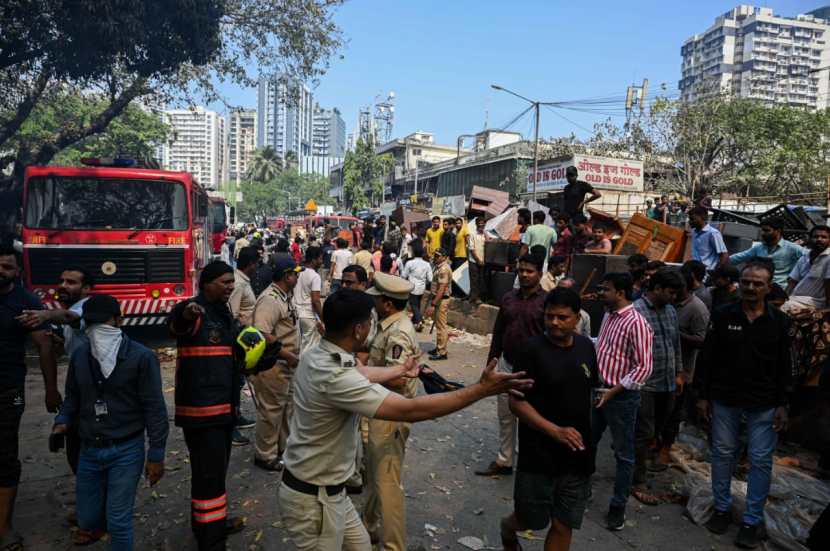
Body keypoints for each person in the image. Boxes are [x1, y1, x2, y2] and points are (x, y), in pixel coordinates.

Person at [277, 289, 533, 551]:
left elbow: (360, 371)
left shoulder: (318, 354)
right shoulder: (335, 377)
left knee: (361, 546)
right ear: (358, 329)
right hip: (314, 500)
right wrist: (481, 390)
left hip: (329, 492)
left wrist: (400, 369)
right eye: (369, 322)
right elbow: (409, 410)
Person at [52, 295, 168, 549]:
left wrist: (156, 454)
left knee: (118, 519)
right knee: (88, 518)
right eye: (91, 324)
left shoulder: (142, 357)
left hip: (126, 449)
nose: (97, 331)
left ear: (119, 320)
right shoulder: (81, 356)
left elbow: (155, 408)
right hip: (90, 450)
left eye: (103, 323)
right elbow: (73, 396)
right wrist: (61, 421)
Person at [698, 262, 792, 549]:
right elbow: (708, 357)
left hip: (763, 402)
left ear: (769, 287)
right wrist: (701, 395)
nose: (751, 288)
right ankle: (722, 509)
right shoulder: (724, 315)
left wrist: (784, 403)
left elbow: (785, 366)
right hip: (725, 399)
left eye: (758, 283)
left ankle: (751, 520)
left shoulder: (779, 321)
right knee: (723, 453)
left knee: (760, 461)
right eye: (746, 282)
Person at [500, 288, 598, 551]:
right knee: (530, 520)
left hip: (577, 456)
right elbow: (516, 402)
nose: (554, 322)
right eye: (550, 316)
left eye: (562, 317)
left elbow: (591, 392)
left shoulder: (587, 348)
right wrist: (554, 431)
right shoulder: (530, 351)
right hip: (538, 456)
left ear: (577, 318)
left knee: (564, 523)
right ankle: (507, 529)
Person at [168, 261, 246, 550]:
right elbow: (178, 322)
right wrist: (186, 314)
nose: (230, 287)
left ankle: (213, 522)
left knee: (215, 473)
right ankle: (210, 540)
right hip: (201, 412)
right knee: (207, 476)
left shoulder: (221, 313)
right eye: (225, 282)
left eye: (231, 282)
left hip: (222, 409)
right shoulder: (194, 309)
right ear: (207, 282)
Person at [0, 246, 59, 550]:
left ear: (18, 273)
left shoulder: (25, 302)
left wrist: (51, 390)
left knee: (5, 456)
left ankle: (4, 527)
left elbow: (44, 345)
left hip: (7, 388)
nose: (2, 271)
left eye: (8, 268)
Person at [362, 273, 422, 551]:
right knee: (375, 475)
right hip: (381, 410)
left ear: (386, 303)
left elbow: (398, 378)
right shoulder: (389, 324)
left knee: (387, 483)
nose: (372, 299)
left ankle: (393, 546)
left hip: (391, 413)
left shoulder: (398, 331)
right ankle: (368, 527)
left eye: (376, 296)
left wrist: (360, 377)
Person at [591, 272, 653, 531]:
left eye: (605, 289)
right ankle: (581, 491)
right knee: (587, 442)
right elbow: (603, 347)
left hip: (621, 397)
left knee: (624, 454)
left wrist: (614, 391)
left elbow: (644, 368)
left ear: (620, 293)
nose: (600, 293)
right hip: (598, 391)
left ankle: (618, 506)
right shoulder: (607, 315)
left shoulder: (636, 322)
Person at [476, 254, 546, 477]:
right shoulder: (508, 299)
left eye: (530, 271)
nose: (524, 274)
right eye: (521, 270)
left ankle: (527, 461)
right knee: (505, 415)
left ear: (539, 274)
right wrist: (491, 364)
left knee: (530, 417)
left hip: (533, 370)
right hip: (506, 364)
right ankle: (504, 460)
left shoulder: (547, 302)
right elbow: (498, 333)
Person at [631, 270, 684, 501]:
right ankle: (637, 480)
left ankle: (637, 464)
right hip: (644, 384)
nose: (674, 297)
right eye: (671, 292)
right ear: (658, 288)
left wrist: (679, 372)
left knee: (657, 429)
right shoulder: (636, 312)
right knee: (643, 432)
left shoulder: (671, 311)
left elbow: (675, 344)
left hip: (668, 381)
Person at [251, 257, 302, 472]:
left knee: (285, 409)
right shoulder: (270, 300)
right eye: (295, 273)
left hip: (286, 364)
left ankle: (282, 448)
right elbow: (262, 333)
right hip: (275, 364)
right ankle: (265, 455)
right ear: (286, 276)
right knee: (271, 412)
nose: (298, 277)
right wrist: (286, 354)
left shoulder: (285, 296)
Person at [667, 269, 709, 438]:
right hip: (661, 369)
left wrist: (675, 334)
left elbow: (702, 340)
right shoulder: (668, 302)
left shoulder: (697, 308)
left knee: (673, 412)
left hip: (682, 371)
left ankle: (666, 446)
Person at [227, 246, 260, 446]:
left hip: (245, 337)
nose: (257, 267)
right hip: (240, 340)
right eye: (256, 263)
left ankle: (236, 415)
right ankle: (230, 426)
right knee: (233, 383)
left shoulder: (242, 280)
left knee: (238, 382)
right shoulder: (238, 284)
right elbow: (233, 314)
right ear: (250, 264)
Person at [728, 218, 803, 286]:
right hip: (759, 286)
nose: (763, 233)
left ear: (778, 231)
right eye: (762, 230)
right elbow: (738, 258)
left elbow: (809, 258)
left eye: (767, 230)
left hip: (779, 290)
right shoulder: (758, 247)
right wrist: (721, 261)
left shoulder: (792, 248)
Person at [785, 225, 830, 311]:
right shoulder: (805, 257)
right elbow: (792, 281)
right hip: (794, 299)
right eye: (816, 236)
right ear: (810, 239)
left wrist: (827, 310)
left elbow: (829, 285)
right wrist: (784, 298)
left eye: (824, 237)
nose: (819, 239)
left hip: (814, 303)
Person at [295, 246, 324, 355]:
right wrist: (323, 318)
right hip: (308, 315)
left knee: (299, 344)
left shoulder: (297, 271)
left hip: (296, 313)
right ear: (313, 260)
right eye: (320, 259)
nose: (321, 262)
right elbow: (316, 300)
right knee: (309, 347)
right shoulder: (315, 276)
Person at [426, 249, 453, 361]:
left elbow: (442, 288)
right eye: (435, 256)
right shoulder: (439, 267)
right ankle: (438, 348)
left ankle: (442, 352)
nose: (435, 258)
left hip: (442, 299)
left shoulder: (443, 269)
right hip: (439, 299)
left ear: (444, 256)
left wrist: (433, 304)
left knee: (441, 327)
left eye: (438, 256)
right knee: (439, 326)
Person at [401, 241, 432, 332]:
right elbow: (430, 279)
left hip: (412, 287)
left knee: (414, 305)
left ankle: (419, 321)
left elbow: (403, 275)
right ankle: (415, 320)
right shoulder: (427, 264)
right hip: (422, 288)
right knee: (417, 304)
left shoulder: (410, 263)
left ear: (414, 252)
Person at [689, 206, 728, 271]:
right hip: (696, 271)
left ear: (703, 217)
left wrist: (716, 272)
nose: (690, 222)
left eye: (692, 219)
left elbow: (724, 255)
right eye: (689, 219)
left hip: (708, 271)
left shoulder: (713, 233)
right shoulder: (694, 232)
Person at [467, 217, 488, 304]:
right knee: (474, 280)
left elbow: (488, 245)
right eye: (479, 223)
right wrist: (478, 260)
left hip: (483, 261)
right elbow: (471, 249)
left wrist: (486, 235)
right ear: (476, 224)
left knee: (481, 280)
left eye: (483, 223)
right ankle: (474, 298)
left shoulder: (485, 235)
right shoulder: (472, 234)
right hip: (474, 261)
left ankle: (476, 297)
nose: (481, 225)